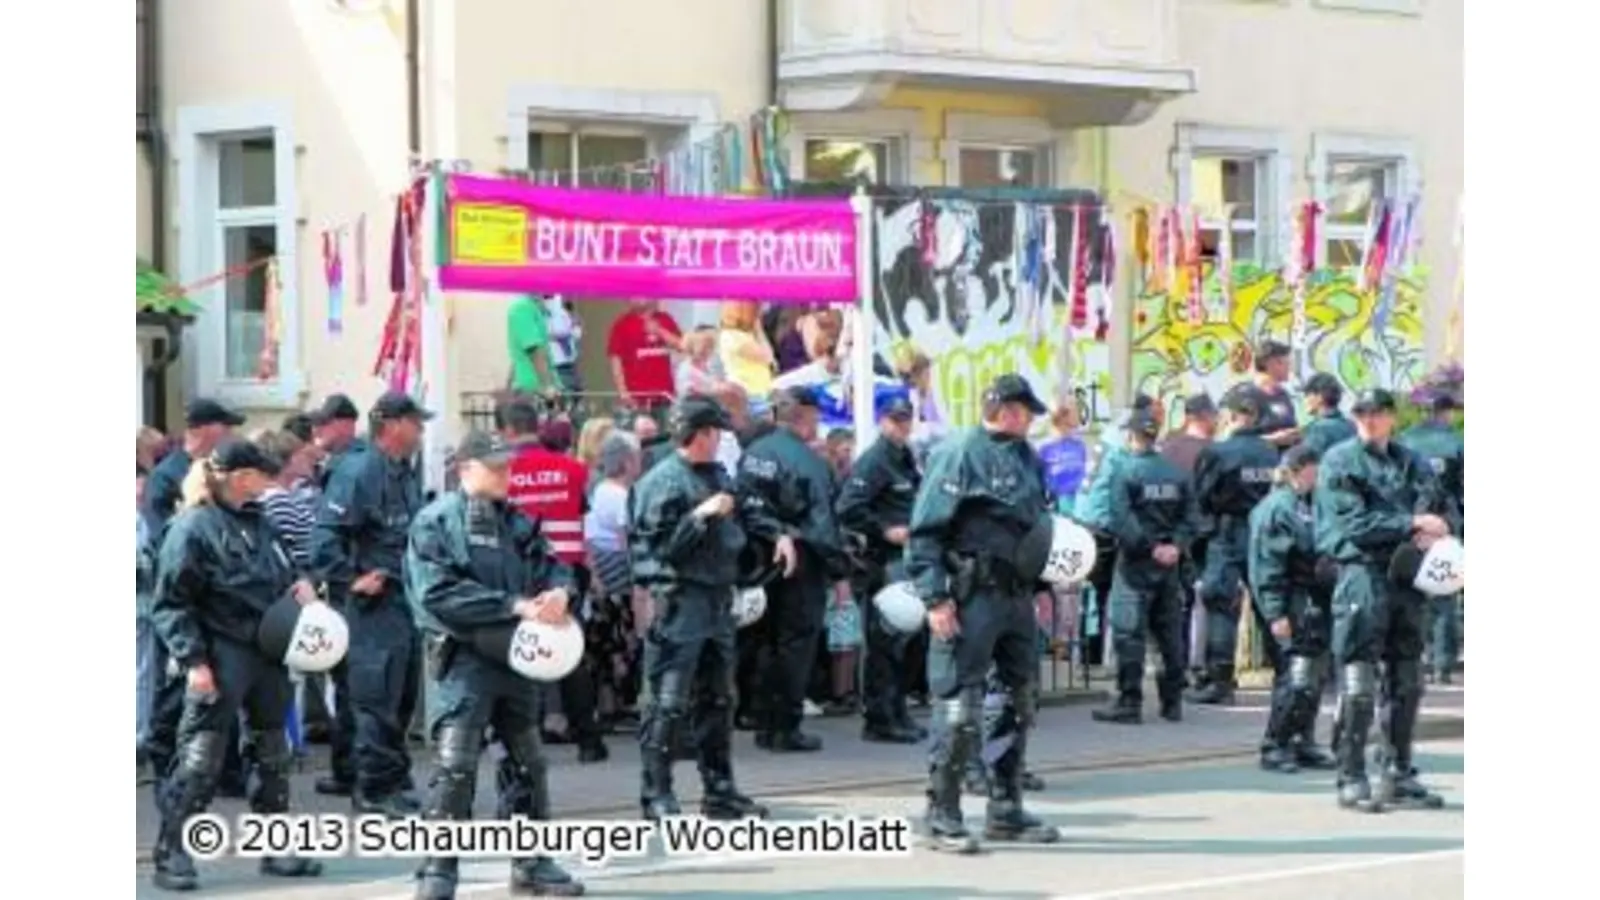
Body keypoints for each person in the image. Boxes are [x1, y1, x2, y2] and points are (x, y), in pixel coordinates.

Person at [403, 430, 585, 899]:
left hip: (518, 658)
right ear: (465, 468)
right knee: (455, 765)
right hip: (464, 659)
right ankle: (438, 869)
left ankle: (532, 862)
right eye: (496, 466)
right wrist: (514, 605)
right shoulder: (436, 521)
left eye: (508, 465)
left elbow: (555, 565)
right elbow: (436, 593)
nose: (507, 473)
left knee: (528, 762)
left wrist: (561, 592)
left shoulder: (517, 521)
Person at [148, 439, 326, 890]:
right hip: (219, 650)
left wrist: (303, 585)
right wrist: (194, 661)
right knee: (201, 755)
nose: (269, 480)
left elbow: (287, 571)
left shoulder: (261, 523)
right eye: (261, 473)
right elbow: (171, 603)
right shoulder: (192, 527)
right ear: (240, 477)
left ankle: (276, 846)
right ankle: (172, 850)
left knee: (273, 752)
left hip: (266, 651)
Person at [908, 373, 1060, 852]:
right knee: (959, 706)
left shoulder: (1026, 456)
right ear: (1003, 409)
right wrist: (934, 598)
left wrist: (1040, 586)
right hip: (971, 596)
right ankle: (941, 813)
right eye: (1023, 411)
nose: (1028, 419)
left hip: (1015, 595)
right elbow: (926, 531)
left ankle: (1005, 807)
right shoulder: (960, 452)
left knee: (1018, 700)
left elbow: (1036, 524)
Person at [629, 394, 793, 820]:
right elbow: (659, 550)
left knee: (719, 698)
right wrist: (700, 515)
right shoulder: (662, 482)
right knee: (667, 701)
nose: (720, 439)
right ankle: (656, 794)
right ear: (699, 434)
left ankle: (719, 790)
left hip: (718, 599)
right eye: (715, 432)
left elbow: (749, 505)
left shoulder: (718, 474)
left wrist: (777, 534)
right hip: (679, 601)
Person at [1316, 388, 1457, 812]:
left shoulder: (1411, 460)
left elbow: (1444, 505)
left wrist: (1443, 528)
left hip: (1407, 576)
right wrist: (1412, 523)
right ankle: (1351, 775)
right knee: (1358, 681)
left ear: (1392, 417)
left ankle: (1398, 772)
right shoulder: (1340, 460)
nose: (1369, 419)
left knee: (1408, 680)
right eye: (1362, 413)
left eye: (1377, 412)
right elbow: (1354, 523)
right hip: (1362, 574)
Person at [309, 391, 430, 815]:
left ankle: (392, 779)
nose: (420, 431)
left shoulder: (402, 472)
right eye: (415, 423)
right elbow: (324, 539)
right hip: (371, 606)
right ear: (392, 425)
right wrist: (352, 578)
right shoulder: (360, 470)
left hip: (402, 600)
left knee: (400, 696)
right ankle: (374, 790)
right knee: (375, 698)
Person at [141, 398, 246, 790]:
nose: (229, 434)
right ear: (201, 429)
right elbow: (161, 541)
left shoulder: (220, 474)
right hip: (182, 598)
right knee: (177, 689)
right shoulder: (167, 476)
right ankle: (167, 768)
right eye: (224, 426)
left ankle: (225, 770)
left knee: (224, 687)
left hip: (218, 602)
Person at [736, 386, 849, 752]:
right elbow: (823, 526)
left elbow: (744, 505)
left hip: (757, 564)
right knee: (796, 645)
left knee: (764, 643)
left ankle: (762, 720)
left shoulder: (753, 453)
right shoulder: (807, 462)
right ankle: (785, 726)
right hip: (801, 565)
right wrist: (839, 571)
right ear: (806, 416)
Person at [503, 399, 608, 762]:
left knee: (519, 652)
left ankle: (523, 739)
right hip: (567, 569)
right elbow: (580, 518)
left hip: (520, 571)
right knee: (571, 653)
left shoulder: (502, 471)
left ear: (507, 430)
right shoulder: (572, 469)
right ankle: (588, 740)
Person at [1091, 406, 1197, 724]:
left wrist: (1150, 548)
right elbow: (1191, 518)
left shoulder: (1125, 472)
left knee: (1129, 631)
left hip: (1136, 562)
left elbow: (1121, 519)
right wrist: (1175, 546)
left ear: (1131, 435)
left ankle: (1129, 701)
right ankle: (1172, 702)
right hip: (1169, 564)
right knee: (1168, 632)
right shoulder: (1177, 473)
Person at [836, 396, 925, 743]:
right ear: (883, 420)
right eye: (896, 419)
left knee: (906, 641)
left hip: (906, 559)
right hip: (883, 562)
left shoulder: (904, 458)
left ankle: (897, 710)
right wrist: (884, 529)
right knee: (886, 642)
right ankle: (880, 718)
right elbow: (848, 507)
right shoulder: (874, 461)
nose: (902, 426)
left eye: (906, 419)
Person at [1187, 387, 1279, 705]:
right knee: (1268, 602)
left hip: (1227, 533)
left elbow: (1200, 497)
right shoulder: (1271, 453)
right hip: (1263, 533)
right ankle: (1286, 674)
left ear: (1232, 415)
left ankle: (1220, 680)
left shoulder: (1218, 453)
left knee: (1219, 603)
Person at [1248, 445, 1337, 772]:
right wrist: (1275, 613)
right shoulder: (1277, 509)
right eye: (1315, 469)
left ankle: (1303, 740)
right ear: (1299, 471)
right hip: (1290, 600)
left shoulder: (1311, 503)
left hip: (1314, 601)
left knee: (1314, 675)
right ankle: (1276, 744)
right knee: (1294, 676)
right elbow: (1267, 566)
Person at [1074, 394, 1165, 668]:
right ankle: (1117, 657)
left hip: (1085, 520)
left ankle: (1090, 653)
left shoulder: (1108, 434)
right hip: (1106, 523)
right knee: (1120, 590)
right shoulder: (1127, 443)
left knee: (1094, 591)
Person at [1397, 393, 1465, 683]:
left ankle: (1416, 658)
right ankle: (1442, 664)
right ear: (1446, 412)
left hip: (1412, 523)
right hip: (1447, 524)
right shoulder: (1458, 442)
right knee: (1445, 592)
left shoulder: (1404, 441)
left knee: (1411, 594)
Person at [1158, 394, 1218, 672]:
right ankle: (1200, 663)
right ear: (1203, 417)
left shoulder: (1167, 448)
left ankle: (1176, 662)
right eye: (1214, 416)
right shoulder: (1213, 452)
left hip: (1172, 533)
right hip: (1204, 533)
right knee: (1205, 599)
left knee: (1176, 601)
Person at [608, 300, 683, 414]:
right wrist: (623, 392)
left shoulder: (665, 319)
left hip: (664, 396)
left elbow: (681, 346)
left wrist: (659, 331)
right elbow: (615, 360)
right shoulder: (622, 324)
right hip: (636, 398)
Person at [718, 301, 776, 405]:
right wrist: (758, 328)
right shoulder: (733, 337)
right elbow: (768, 357)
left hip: (758, 391)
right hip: (749, 393)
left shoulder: (745, 335)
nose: (760, 312)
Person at [1250, 340, 1301, 450]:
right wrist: (1273, 440)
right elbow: (1235, 441)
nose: (1289, 368)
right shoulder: (1246, 395)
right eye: (1283, 362)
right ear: (1268, 363)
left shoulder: (1283, 394)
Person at [506, 293, 558, 395]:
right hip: (533, 390)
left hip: (535, 389)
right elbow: (534, 350)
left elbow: (519, 356)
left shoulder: (536, 309)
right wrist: (547, 386)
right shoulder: (523, 309)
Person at [1299, 374, 1355, 454]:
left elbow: (1310, 458)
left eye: (1307, 395)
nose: (1305, 400)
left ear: (1319, 397)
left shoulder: (1318, 429)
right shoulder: (1351, 424)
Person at [546, 295, 584, 395]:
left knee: (576, 393)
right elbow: (559, 331)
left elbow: (576, 333)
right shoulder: (551, 307)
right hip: (558, 364)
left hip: (570, 364)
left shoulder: (566, 311)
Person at [677, 327, 724, 398]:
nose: (709, 351)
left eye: (710, 347)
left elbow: (718, 381)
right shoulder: (686, 368)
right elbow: (689, 390)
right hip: (694, 402)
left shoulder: (710, 365)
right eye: (705, 347)